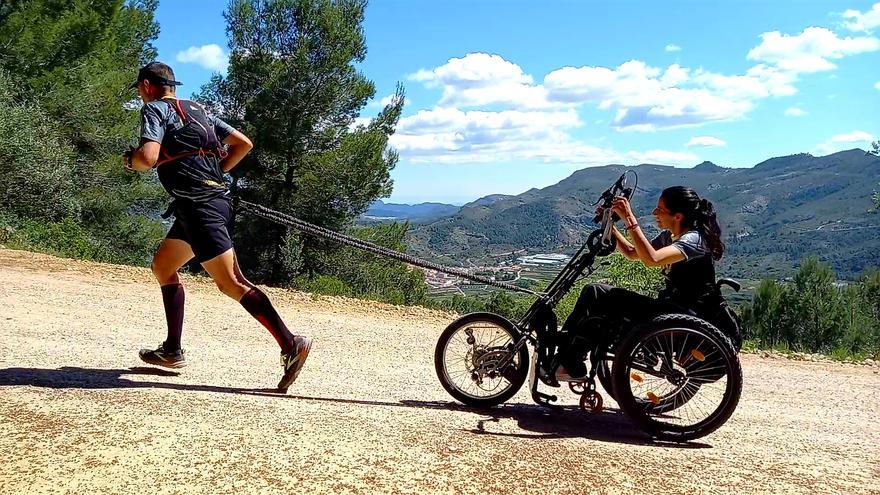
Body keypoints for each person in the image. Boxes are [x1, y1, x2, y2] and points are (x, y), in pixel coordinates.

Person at [123, 61, 311, 392]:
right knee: (163, 266)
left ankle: (290, 343)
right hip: (199, 206)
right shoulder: (199, 111)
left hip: (201, 208)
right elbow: (244, 143)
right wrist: (216, 175)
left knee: (232, 283)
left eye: (140, 89)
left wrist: (130, 161)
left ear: (147, 86)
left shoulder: (154, 110)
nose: (140, 95)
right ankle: (172, 350)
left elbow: (148, 158)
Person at [555, 186, 726, 381]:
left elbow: (651, 259)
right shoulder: (669, 237)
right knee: (598, 298)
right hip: (670, 307)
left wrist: (629, 218)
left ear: (678, 216)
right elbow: (630, 251)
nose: (655, 213)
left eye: (660, 209)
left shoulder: (694, 240)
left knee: (596, 292)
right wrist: (609, 225)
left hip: (685, 314)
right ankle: (566, 356)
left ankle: (567, 360)